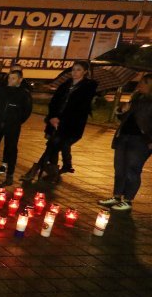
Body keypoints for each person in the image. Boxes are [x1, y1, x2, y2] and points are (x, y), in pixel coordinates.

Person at [25, 60, 97, 182]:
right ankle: (55, 172)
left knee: (54, 145)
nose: (75, 72)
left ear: (85, 72)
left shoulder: (89, 87)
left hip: (72, 125)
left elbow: (80, 108)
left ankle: (35, 170)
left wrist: (61, 120)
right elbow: (54, 102)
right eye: (73, 69)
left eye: (78, 70)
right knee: (54, 146)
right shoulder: (65, 85)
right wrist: (53, 117)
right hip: (55, 121)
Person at [98, 73, 152, 212]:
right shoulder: (136, 98)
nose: (139, 85)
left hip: (140, 141)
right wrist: (121, 110)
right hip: (124, 136)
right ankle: (116, 196)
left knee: (132, 170)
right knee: (120, 169)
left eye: (144, 83)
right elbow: (124, 118)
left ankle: (128, 200)